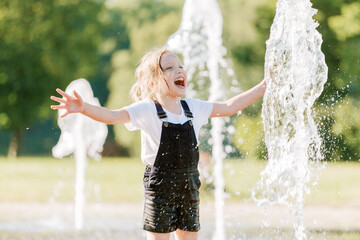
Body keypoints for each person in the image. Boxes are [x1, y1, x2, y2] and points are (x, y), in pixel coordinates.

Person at [50, 48, 266, 240]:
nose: (179, 70)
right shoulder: (147, 109)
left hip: (189, 186)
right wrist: (83, 107)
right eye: (169, 67)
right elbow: (111, 116)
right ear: (153, 82)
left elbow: (230, 106)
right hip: (160, 188)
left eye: (181, 66)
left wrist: (264, 86)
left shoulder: (193, 108)